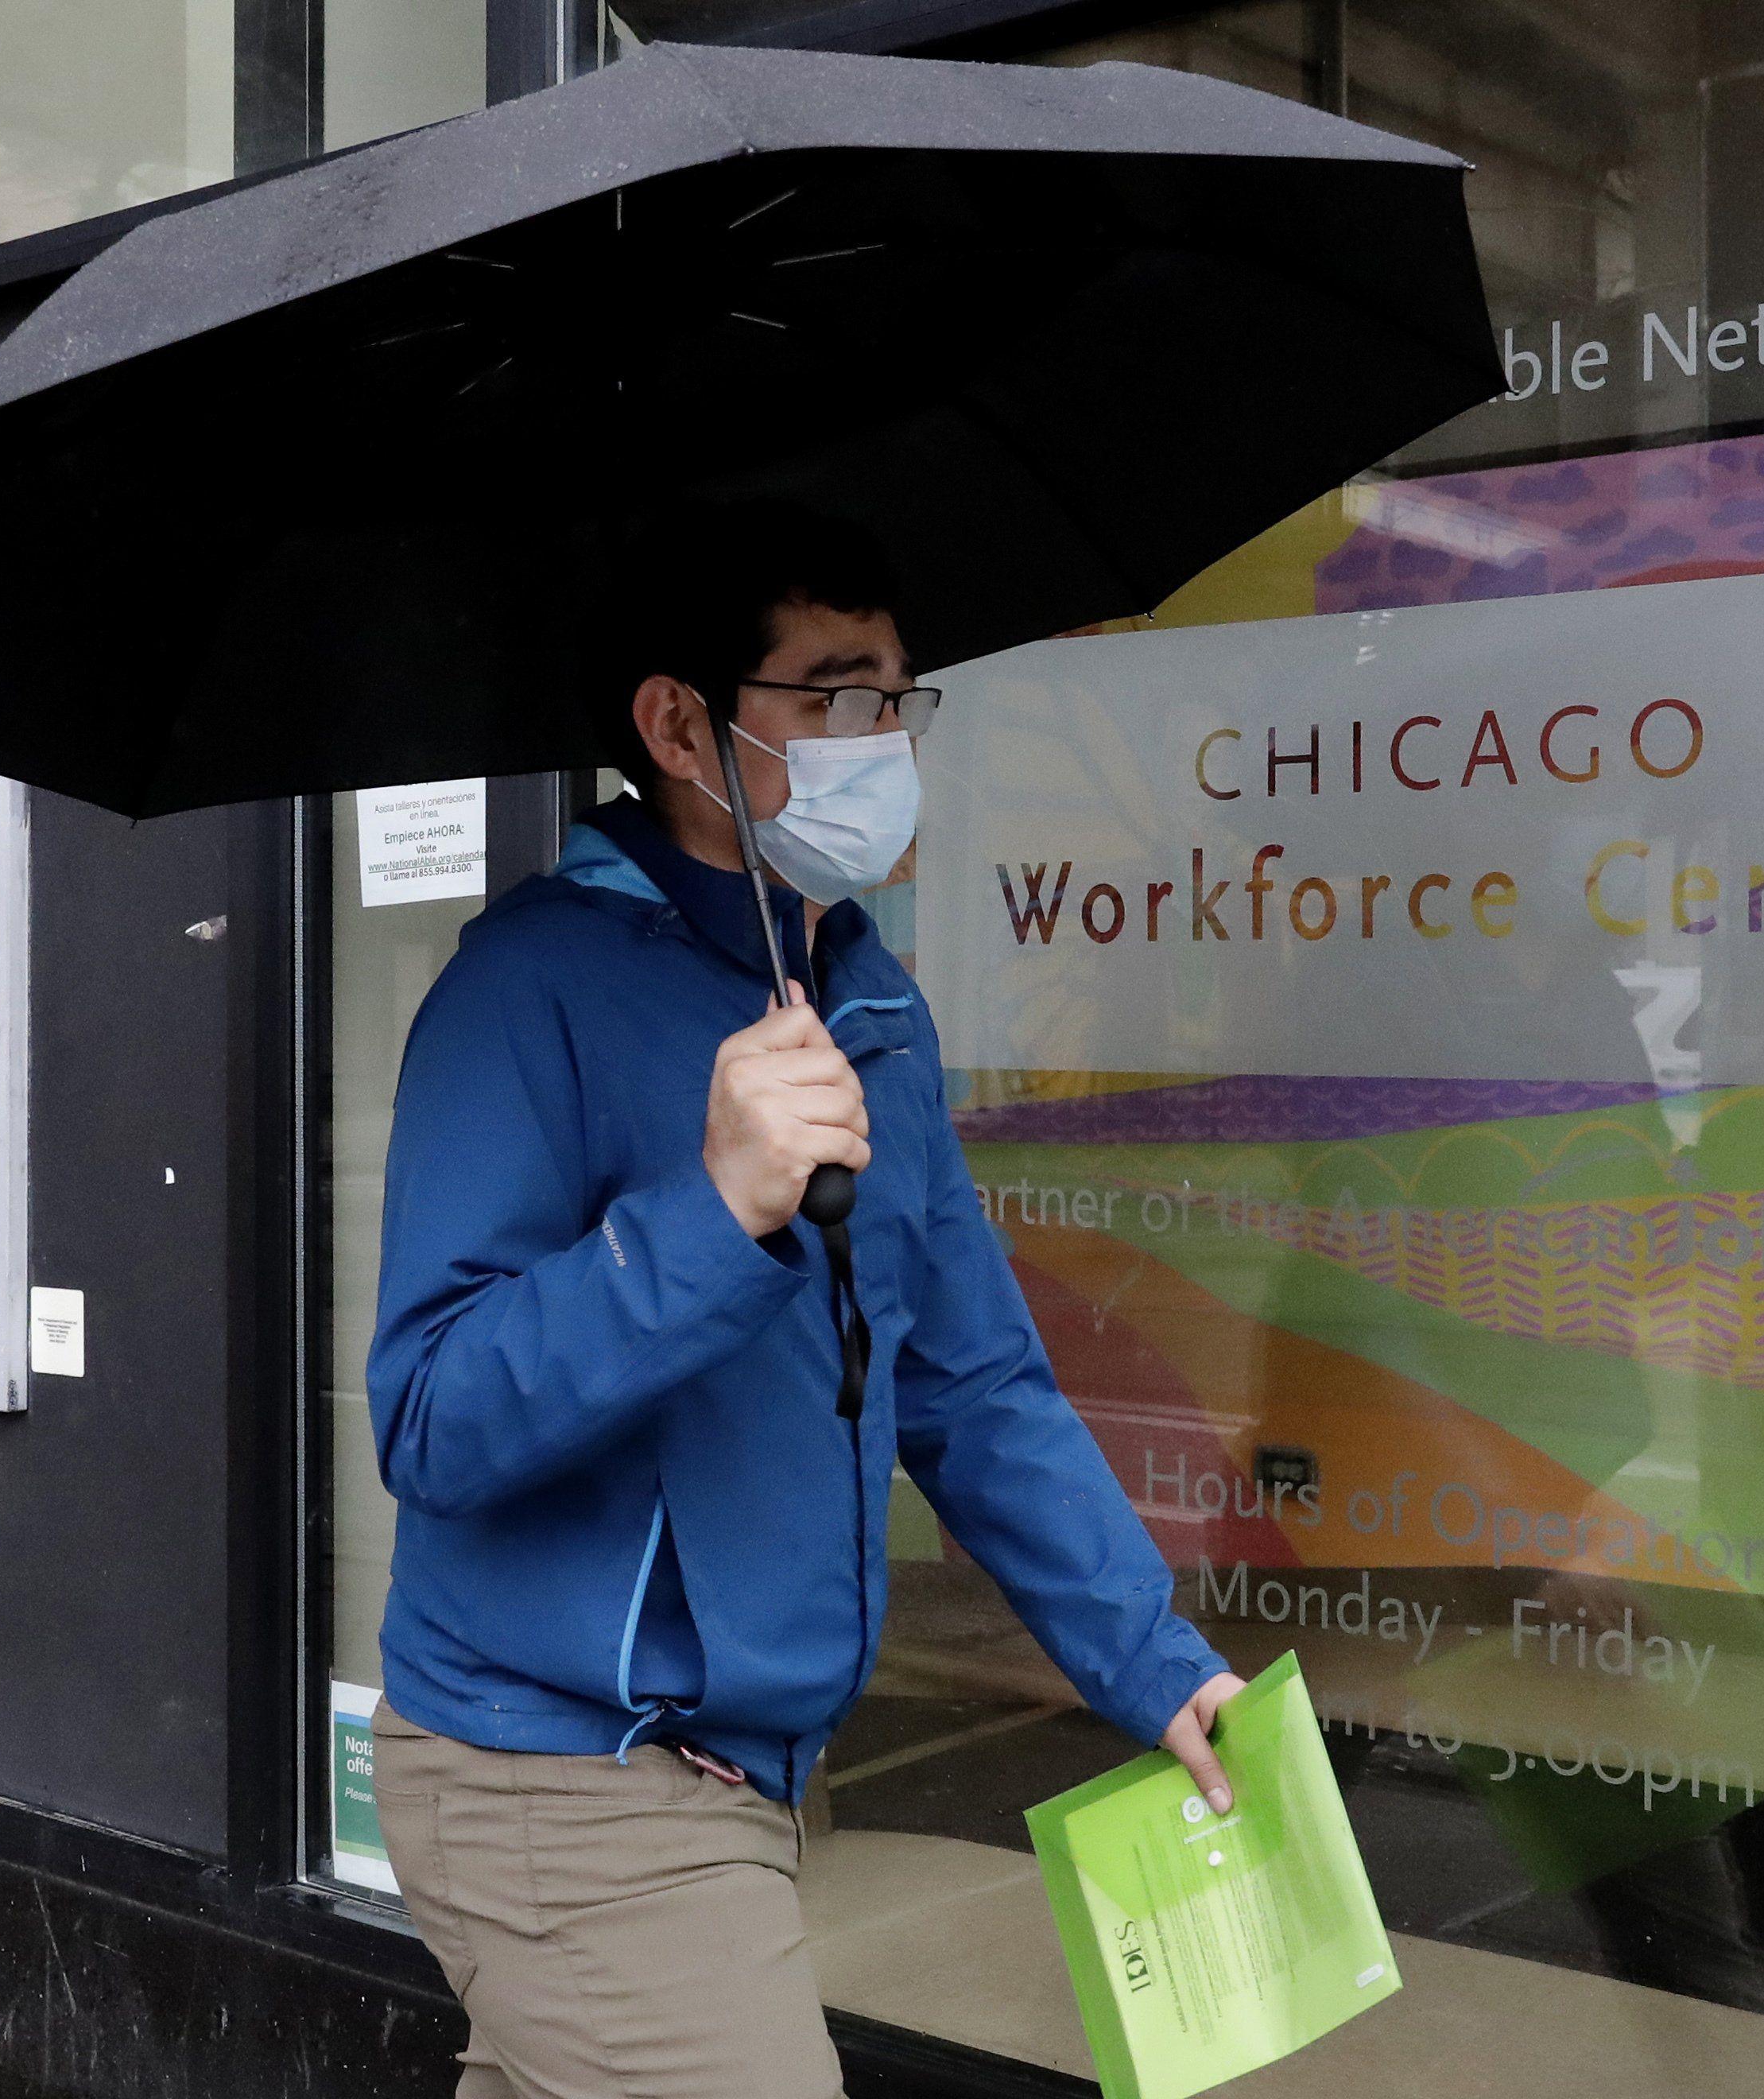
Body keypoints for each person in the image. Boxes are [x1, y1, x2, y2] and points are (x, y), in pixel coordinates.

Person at [363, 503, 1240, 2099]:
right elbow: (430, 1418)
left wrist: (1157, 1665)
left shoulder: (865, 997)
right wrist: (710, 1212)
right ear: (679, 723)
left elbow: (973, 1389)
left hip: (748, 1768)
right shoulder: (525, 992)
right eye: (833, 695)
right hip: (565, 1772)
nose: (881, 743)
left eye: (899, 697)